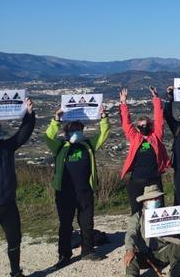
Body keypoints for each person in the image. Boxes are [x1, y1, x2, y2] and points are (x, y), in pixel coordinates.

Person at [44, 104, 110, 267]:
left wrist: (103, 117)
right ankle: (64, 255)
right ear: (66, 132)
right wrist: (56, 120)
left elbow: (104, 134)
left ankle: (88, 251)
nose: (77, 133)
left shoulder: (87, 145)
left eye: (79, 129)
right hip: (64, 193)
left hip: (85, 192)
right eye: (73, 130)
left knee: (87, 223)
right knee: (65, 225)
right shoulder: (59, 147)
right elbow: (48, 137)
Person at [0, 97, 35, 277]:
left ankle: (15, 272)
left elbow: (23, 133)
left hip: (8, 204)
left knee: (15, 241)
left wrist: (29, 114)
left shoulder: (6, 147)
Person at [120, 87, 171, 214]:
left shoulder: (156, 136)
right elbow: (126, 124)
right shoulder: (134, 138)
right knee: (136, 211)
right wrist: (123, 103)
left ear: (151, 125)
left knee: (156, 209)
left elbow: (159, 118)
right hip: (137, 180)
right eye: (141, 125)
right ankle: (138, 232)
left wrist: (156, 99)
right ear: (137, 128)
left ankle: (155, 233)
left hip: (154, 179)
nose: (144, 127)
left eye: (146, 124)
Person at [123, 185, 180, 277]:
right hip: (144, 255)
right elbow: (131, 233)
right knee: (131, 258)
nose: (154, 201)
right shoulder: (137, 216)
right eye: (151, 199)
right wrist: (129, 250)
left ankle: (175, 273)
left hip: (163, 252)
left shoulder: (168, 213)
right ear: (145, 201)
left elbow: (175, 233)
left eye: (156, 198)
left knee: (176, 247)